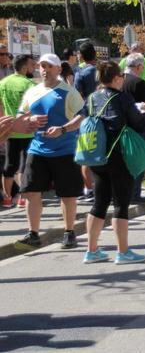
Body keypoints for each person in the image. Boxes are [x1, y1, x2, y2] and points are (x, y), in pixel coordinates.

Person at [82, 61, 145, 264]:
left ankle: (92, 250)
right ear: (115, 79)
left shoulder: (92, 97)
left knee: (100, 202)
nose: (123, 79)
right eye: (121, 76)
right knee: (121, 204)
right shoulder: (122, 98)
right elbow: (137, 124)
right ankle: (123, 252)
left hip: (97, 155)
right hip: (119, 155)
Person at [14, 53, 84, 251]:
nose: (44, 70)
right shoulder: (32, 92)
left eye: (49, 66)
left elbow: (82, 116)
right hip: (37, 150)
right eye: (42, 66)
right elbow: (20, 116)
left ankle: (69, 233)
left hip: (65, 150)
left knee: (67, 194)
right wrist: (29, 121)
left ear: (58, 69)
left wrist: (62, 129)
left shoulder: (68, 92)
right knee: (30, 192)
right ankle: (33, 234)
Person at [0, 54, 36, 208]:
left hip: (9, 129)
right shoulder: (30, 84)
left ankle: (7, 198)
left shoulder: (3, 83)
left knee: (10, 164)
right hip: (28, 129)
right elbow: (35, 108)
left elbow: (0, 106)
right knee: (25, 164)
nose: (33, 67)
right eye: (31, 65)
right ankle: (22, 197)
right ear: (24, 67)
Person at [122, 53, 145, 203]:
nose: (142, 69)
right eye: (142, 67)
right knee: (138, 160)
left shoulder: (118, 80)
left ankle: (123, 193)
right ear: (137, 67)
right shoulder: (138, 83)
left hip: (121, 126)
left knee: (123, 161)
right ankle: (134, 194)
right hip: (138, 127)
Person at [73, 42, 98, 202]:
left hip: (87, 118)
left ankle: (89, 190)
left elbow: (77, 98)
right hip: (104, 115)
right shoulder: (102, 70)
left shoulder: (80, 73)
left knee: (86, 156)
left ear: (81, 56)